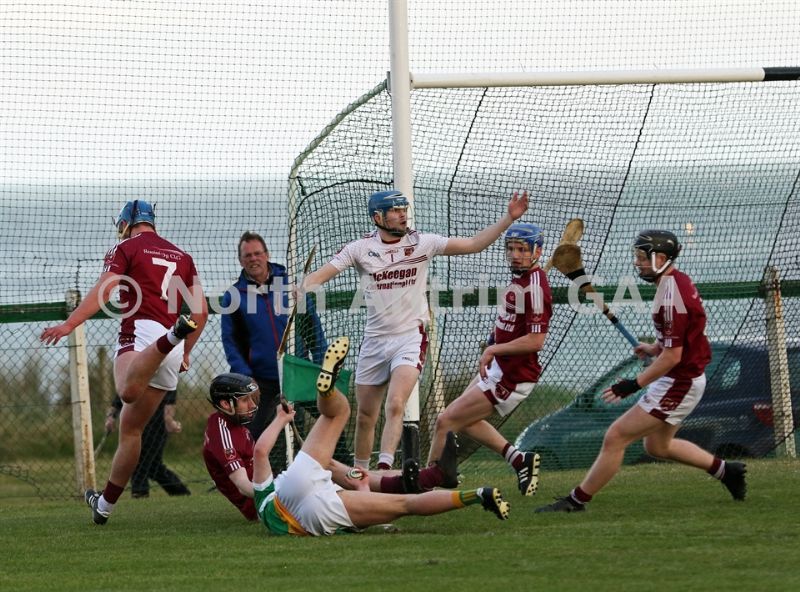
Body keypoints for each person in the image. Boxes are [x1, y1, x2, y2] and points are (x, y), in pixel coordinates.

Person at [300, 189, 529, 471]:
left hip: (410, 337)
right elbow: (321, 275)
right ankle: (361, 476)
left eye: (403, 209)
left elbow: (473, 244)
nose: (402, 215)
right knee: (365, 416)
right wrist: (300, 288)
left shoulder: (423, 243)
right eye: (395, 211)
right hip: (374, 341)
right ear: (377, 217)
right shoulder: (359, 248)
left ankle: (384, 468)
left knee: (396, 403)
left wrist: (508, 218)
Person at [535, 230, 747, 513]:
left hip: (679, 382)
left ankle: (575, 501)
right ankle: (726, 471)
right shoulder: (677, 281)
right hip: (683, 377)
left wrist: (634, 384)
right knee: (657, 447)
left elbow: (673, 356)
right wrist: (654, 347)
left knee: (616, 436)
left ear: (661, 258)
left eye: (642, 258)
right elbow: (679, 339)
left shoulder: (671, 297)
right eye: (637, 257)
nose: (638, 263)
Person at [40, 199, 207, 525]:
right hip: (170, 349)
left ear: (126, 223)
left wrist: (69, 324)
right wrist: (186, 351)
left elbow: (105, 290)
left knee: (127, 392)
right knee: (131, 430)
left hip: (143, 334)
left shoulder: (126, 248)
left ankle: (171, 336)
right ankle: (103, 506)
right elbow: (200, 312)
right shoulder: (183, 257)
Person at [252, 336, 510, 536]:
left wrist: (360, 482)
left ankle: (478, 494)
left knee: (405, 505)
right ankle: (326, 392)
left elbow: (359, 514)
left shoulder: (267, 512)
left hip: (311, 513)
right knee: (337, 413)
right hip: (297, 485)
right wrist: (281, 419)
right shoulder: (266, 494)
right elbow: (260, 452)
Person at [202, 369, 461, 521]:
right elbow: (245, 487)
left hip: (274, 491)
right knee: (337, 471)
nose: (252, 405)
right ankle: (422, 480)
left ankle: (424, 479)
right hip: (266, 505)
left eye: (253, 398)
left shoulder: (236, 426)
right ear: (225, 404)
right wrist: (282, 487)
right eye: (245, 400)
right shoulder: (221, 431)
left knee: (341, 469)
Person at [425, 223, 548, 497]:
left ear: (537, 252)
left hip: (512, 376)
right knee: (462, 419)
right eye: (511, 249)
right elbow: (511, 323)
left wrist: (494, 350)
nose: (515, 255)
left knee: (445, 421)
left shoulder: (536, 288)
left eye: (522, 250)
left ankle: (424, 487)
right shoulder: (521, 280)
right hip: (499, 367)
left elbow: (535, 340)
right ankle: (519, 460)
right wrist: (494, 341)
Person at [220, 231, 330, 471]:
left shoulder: (289, 286)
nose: (253, 258)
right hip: (260, 380)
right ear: (240, 261)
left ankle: (344, 470)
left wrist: (320, 365)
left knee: (330, 415)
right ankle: (254, 480)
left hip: (296, 373)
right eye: (248, 255)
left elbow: (313, 329)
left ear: (267, 255)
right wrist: (245, 377)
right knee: (253, 433)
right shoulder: (234, 296)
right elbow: (231, 342)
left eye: (258, 253)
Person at [106, 390, 190, 498]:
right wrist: (111, 417)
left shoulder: (165, 380)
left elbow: (169, 400)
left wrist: (169, 420)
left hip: (156, 425)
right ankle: (181, 492)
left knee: (142, 462)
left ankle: (140, 493)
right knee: (153, 466)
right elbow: (121, 396)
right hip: (134, 423)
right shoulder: (133, 381)